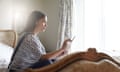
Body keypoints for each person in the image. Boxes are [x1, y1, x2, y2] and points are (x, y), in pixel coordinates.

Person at [8, 11, 73, 72]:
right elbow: (44, 58)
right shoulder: (29, 38)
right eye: (44, 22)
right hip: (17, 70)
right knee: (47, 63)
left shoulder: (31, 36)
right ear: (36, 22)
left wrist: (60, 53)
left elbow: (43, 57)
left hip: (22, 68)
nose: (46, 25)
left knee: (54, 62)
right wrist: (62, 49)